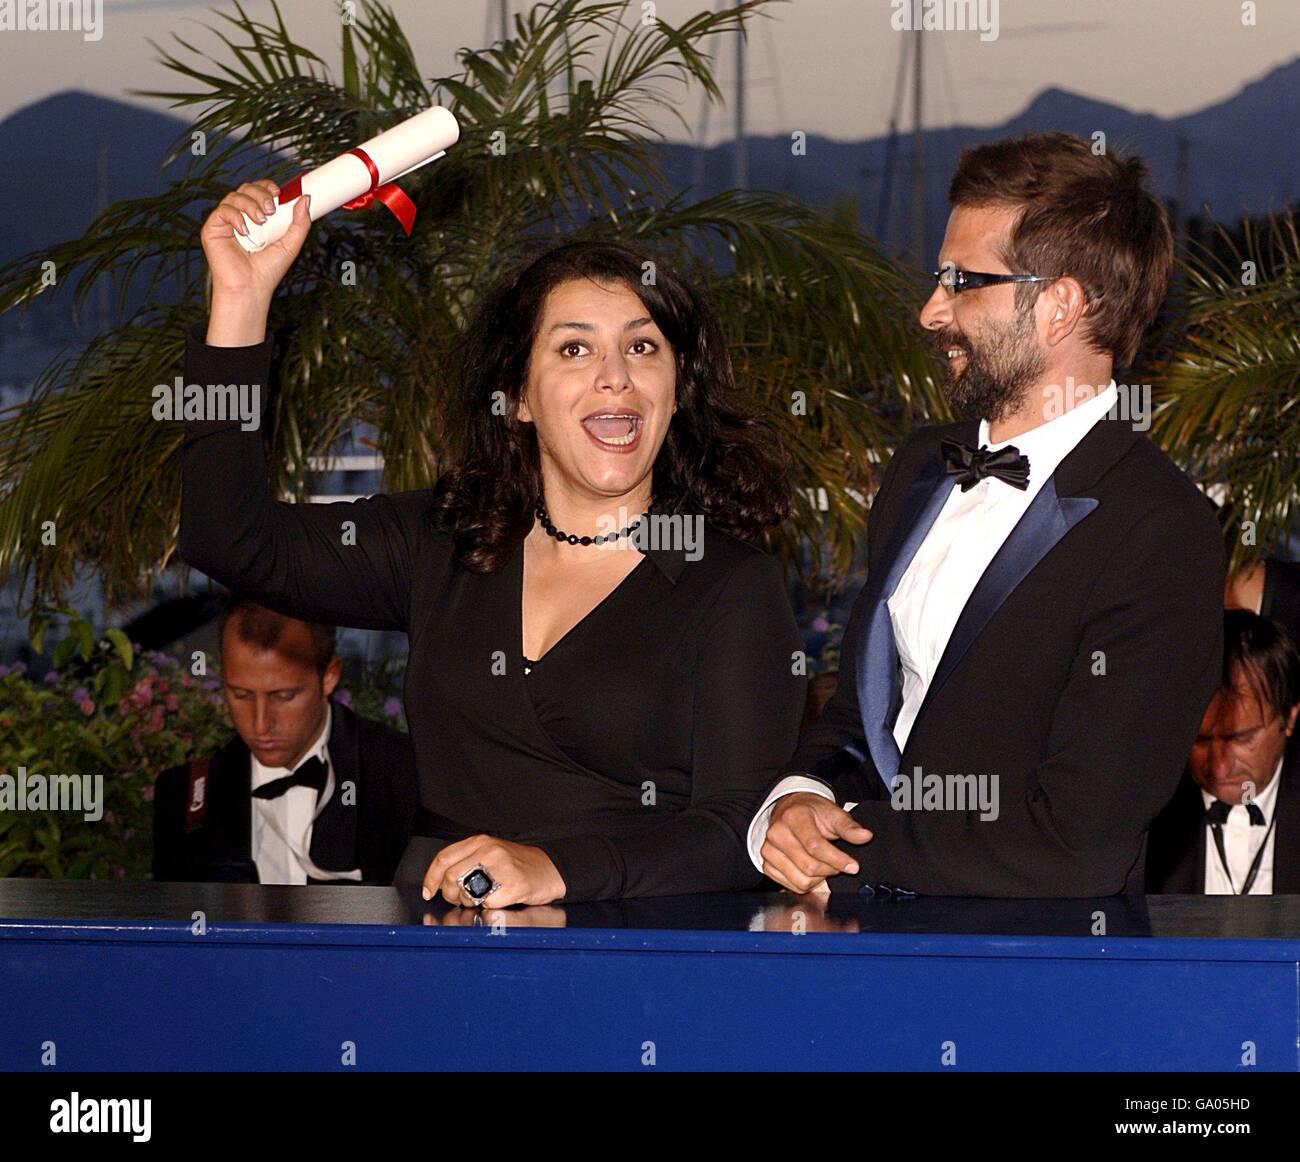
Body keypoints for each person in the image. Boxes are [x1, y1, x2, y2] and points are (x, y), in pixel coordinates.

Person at [178, 183, 804, 906]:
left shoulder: (730, 585)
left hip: (629, 969)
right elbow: (227, 536)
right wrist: (239, 299)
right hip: (439, 956)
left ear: (676, 387)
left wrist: (556, 869)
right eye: (575, 347)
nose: (615, 375)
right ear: (521, 395)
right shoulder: (443, 542)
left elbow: (741, 832)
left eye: (642, 346)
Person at [749, 131, 1225, 897]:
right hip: (854, 952)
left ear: (1059, 305)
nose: (930, 310)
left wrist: (848, 851)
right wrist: (798, 796)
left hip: (1025, 977)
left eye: (962, 281)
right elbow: (865, 709)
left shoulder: (1160, 530)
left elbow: (1081, 840)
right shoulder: (919, 467)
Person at [153, 598, 418, 885]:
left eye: (283, 696)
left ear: (329, 677)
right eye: (241, 695)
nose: (260, 723)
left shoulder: (402, 776)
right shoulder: (184, 793)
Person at [1147, 610, 1300, 894]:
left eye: (1240, 738)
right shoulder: (1148, 807)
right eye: (1200, 740)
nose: (1218, 768)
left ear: (1289, 717)